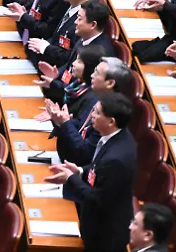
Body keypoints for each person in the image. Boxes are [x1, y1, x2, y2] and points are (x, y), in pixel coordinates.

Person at [47, 92, 137, 252]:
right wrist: (80, 170)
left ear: (111, 121)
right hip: (101, 223)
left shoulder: (116, 158)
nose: (92, 115)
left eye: (97, 112)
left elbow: (95, 199)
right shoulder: (119, 136)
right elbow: (100, 167)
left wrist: (70, 178)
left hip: (105, 234)